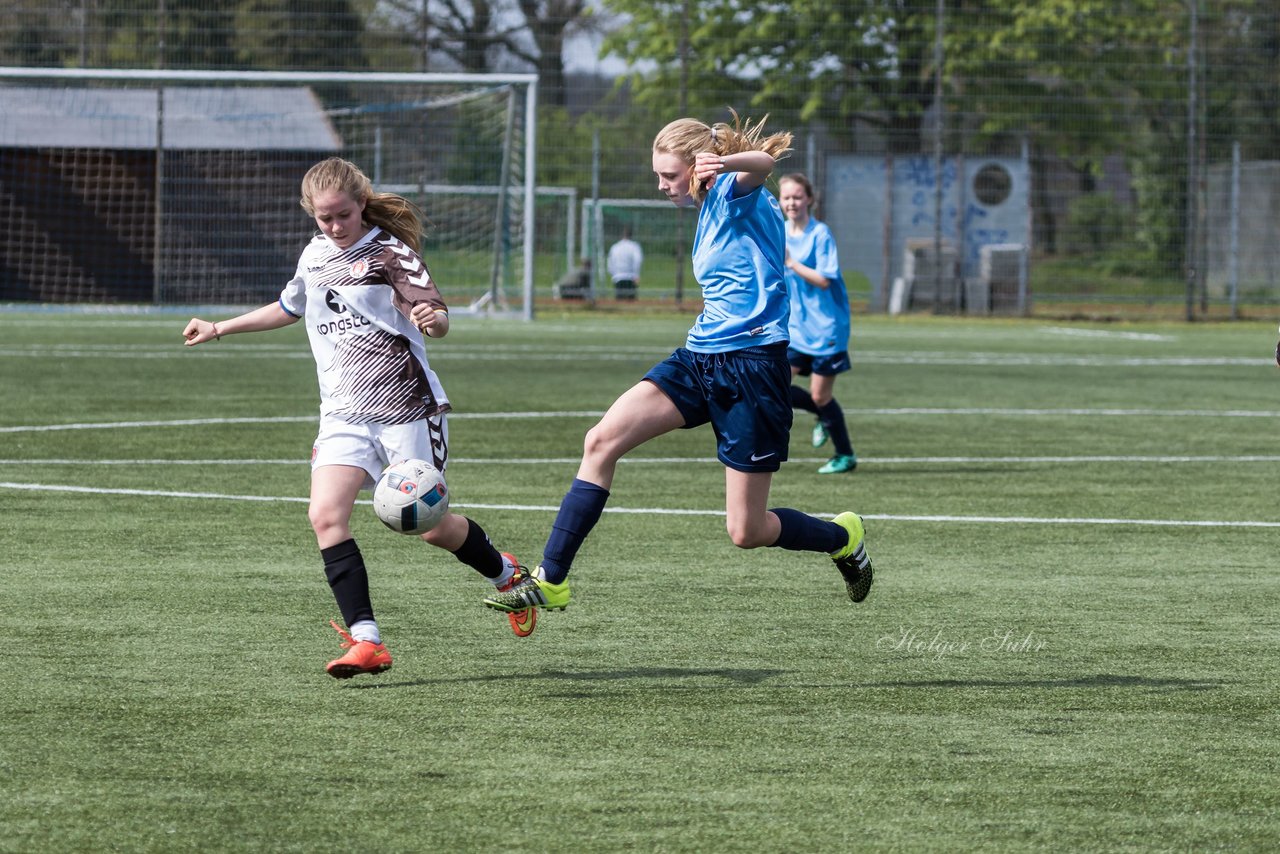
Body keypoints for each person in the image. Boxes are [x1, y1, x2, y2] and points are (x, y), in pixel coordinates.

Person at [483, 112, 874, 620]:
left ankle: (843, 537)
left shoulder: (734, 190)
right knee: (600, 441)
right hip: (698, 358)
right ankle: (552, 579)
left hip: (753, 367)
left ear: (698, 167)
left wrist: (724, 161)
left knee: (747, 531)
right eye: (658, 175)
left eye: (669, 176)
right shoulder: (710, 204)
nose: (662, 186)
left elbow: (764, 162)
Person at [182, 156, 537, 679]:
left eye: (342, 215)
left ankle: (508, 575)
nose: (334, 226)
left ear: (361, 204)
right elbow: (289, 307)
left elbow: (435, 320)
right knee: (325, 516)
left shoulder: (392, 255)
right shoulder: (314, 254)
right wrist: (219, 327)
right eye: (323, 218)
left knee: (428, 528)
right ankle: (367, 640)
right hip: (343, 414)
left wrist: (432, 319)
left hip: (406, 409)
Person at [778, 172, 858, 474]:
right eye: (786, 197)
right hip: (796, 329)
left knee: (820, 395)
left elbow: (824, 279)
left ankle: (845, 455)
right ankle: (823, 415)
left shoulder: (820, 234)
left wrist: (792, 263)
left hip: (826, 327)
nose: (792, 202)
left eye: (797, 196)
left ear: (809, 198)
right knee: (775, 383)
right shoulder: (781, 232)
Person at [606, 226, 643, 300]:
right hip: (630, 277)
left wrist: (613, 275)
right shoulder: (634, 246)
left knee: (619, 301)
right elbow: (638, 261)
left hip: (618, 277)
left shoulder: (615, 247)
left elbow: (610, 263)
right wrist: (636, 275)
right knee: (631, 301)